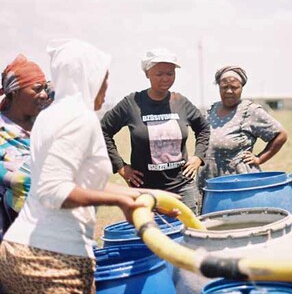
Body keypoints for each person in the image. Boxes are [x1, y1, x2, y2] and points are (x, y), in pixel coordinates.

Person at [0, 39, 163, 293]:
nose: (106, 87)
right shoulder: (79, 118)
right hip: (52, 263)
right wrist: (120, 202)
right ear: (87, 77)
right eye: (104, 78)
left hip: (19, 250)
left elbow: (80, 182)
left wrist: (142, 195)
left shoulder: (47, 117)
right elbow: (53, 190)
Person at [101, 48, 210, 214]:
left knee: (189, 236)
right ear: (147, 74)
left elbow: (203, 128)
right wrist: (120, 166)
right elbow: (103, 131)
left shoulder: (180, 102)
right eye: (159, 74)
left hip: (183, 188)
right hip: (145, 190)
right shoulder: (132, 103)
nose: (165, 78)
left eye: (170, 73)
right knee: (150, 236)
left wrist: (198, 157)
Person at [197, 66, 288, 191]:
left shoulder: (250, 111)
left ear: (241, 88)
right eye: (224, 87)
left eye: (234, 87)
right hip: (210, 178)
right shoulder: (212, 110)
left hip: (237, 182)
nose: (229, 91)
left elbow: (281, 134)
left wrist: (260, 158)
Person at [0, 55, 50, 239]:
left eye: (45, 88)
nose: (43, 94)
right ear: (14, 92)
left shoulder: (46, 125)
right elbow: (26, 182)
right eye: (37, 89)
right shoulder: (3, 132)